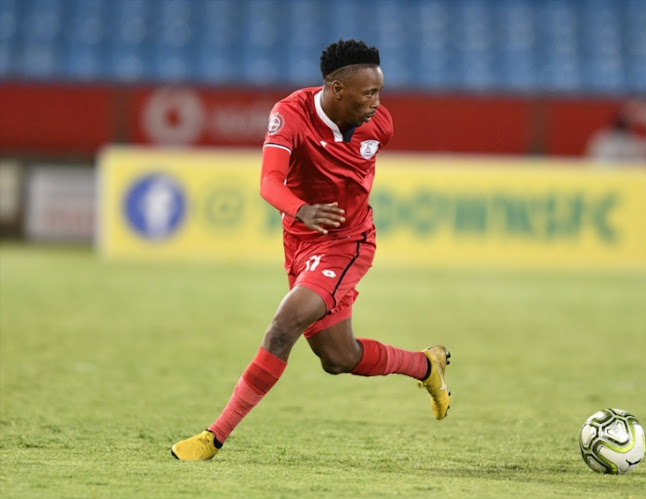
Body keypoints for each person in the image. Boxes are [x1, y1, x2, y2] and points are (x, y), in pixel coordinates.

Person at [171, 39, 451, 461]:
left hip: (347, 242)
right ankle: (425, 365)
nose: (377, 103)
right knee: (338, 357)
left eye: (380, 91)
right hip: (300, 239)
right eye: (368, 93)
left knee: (282, 327)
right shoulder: (290, 115)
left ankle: (214, 437)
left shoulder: (380, 127)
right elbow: (269, 183)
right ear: (337, 90)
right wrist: (302, 210)